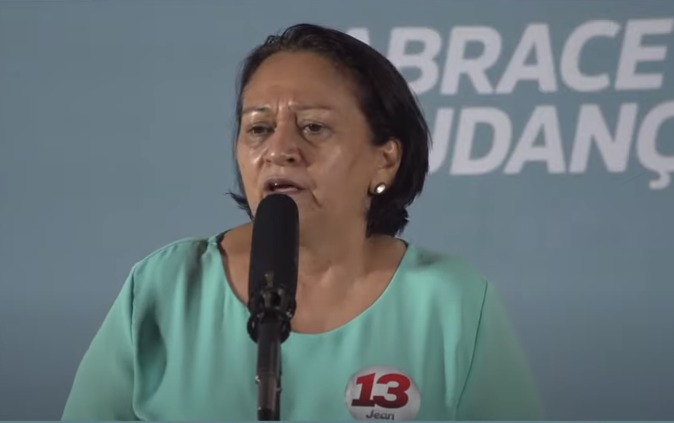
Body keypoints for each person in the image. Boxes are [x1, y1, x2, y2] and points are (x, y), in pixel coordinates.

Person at [61, 23, 544, 421]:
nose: (279, 150)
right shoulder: (165, 287)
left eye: (314, 126)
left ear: (385, 160)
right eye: (259, 128)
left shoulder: (453, 304)